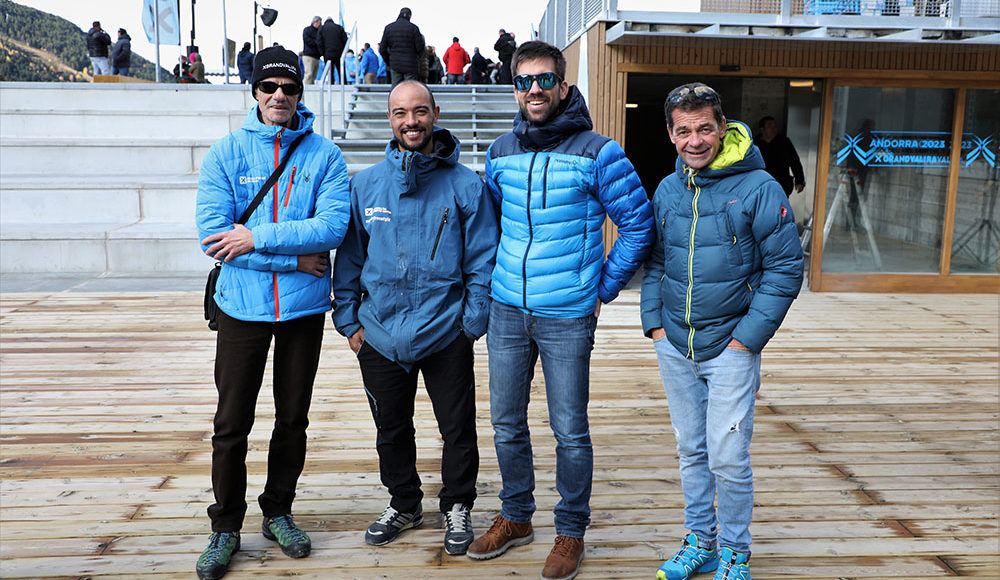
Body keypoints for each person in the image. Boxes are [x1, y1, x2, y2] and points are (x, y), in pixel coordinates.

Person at [466, 40, 654, 580]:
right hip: (507, 309)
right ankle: (516, 517)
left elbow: (638, 225)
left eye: (544, 79)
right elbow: (491, 227)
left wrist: (602, 287)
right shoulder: (500, 152)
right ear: (514, 89)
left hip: (567, 314)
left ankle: (570, 530)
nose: (534, 89)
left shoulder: (600, 152)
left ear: (563, 86)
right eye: (524, 81)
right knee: (506, 423)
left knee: (569, 429)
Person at [193, 45, 351, 580]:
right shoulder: (225, 153)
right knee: (231, 422)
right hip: (242, 307)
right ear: (255, 91)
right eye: (269, 87)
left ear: (300, 92)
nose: (279, 95)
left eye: (289, 87)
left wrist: (256, 238)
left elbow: (331, 228)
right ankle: (225, 526)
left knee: (293, 418)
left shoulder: (325, 155)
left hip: (303, 311)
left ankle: (278, 511)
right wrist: (292, 258)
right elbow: (215, 238)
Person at [640, 83, 803, 580]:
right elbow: (656, 261)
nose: (695, 141)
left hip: (731, 346)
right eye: (684, 131)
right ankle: (701, 542)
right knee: (691, 449)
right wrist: (654, 325)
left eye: (705, 129)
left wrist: (746, 339)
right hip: (676, 344)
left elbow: (785, 269)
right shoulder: (668, 190)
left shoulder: (759, 187)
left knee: (728, 457)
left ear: (723, 128)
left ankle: (734, 552)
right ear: (671, 134)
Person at [332, 80, 499, 556]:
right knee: (391, 429)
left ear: (435, 114)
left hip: (446, 330)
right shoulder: (365, 185)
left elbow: (482, 259)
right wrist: (350, 324)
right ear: (389, 118)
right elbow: (349, 260)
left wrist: (470, 324)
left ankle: (457, 504)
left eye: (420, 111)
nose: (411, 121)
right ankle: (404, 503)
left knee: (457, 427)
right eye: (401, 113)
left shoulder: (466, 184)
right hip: (379, 332)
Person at [754, 116, 805, 198]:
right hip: (760, 185)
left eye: (775, 126)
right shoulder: (755, 144)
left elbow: (795, 162)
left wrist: (800, 180)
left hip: (781, 185)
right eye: (770, 126)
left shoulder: (784, 142)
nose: (773, 129)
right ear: (762, 129)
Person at [379, 8, 425, 86]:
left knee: (396, 89)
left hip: (395, 64)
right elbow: (420, 48)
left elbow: (382, 49)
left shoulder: (389, 28)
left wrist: (389, 61)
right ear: (410, 16)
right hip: (411, 64)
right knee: (410, 89)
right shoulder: (414, 28)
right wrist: (416, 59)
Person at [301, 16, 322, 84]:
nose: (319, 24)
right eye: (318, 22)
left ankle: (311, 88)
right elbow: (307, 40)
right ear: (314, 22)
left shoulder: (319, 32)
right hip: (309, 55)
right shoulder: (307, 30)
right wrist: (317, 43)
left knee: (313, 76)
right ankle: (305, 88)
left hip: (316, 56)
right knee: (309, 74)